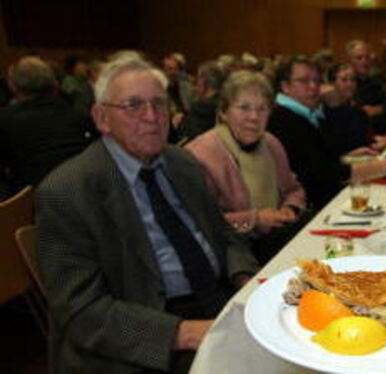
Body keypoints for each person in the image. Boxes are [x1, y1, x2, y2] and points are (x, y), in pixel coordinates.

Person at [36, 58, 258, 373]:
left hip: (216, 298)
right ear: (102, 118)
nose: (152, 117)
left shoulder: (182, 161)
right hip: (145, 331)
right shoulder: (66, 192)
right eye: (133, 106)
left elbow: (223, 233)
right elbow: (81, 312)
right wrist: (185, 333)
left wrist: (245, 278)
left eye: (159, 104)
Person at [186, 70, 307, 265]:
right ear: (224, 112)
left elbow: (293, 189)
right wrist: (255, 220)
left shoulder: (271, 143)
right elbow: (202, 222)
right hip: (230, 259)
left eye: (262, 109)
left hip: (278, 246)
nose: (254, 117)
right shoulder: (201, 154)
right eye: (244, 108)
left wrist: (289, 208)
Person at [267, 56, 386, 210]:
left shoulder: (306, 114)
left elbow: (319, 159)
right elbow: (321, 175)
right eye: (304, 81)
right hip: (306, 209)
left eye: (317, 81)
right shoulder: (283, 119)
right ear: (285, 86)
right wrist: (384, 167)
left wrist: (346, 158)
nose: (313, 87)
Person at [0, 56, 94, 195]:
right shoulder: (79, 115)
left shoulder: (5, 121)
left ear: (13, 86)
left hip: (30, 206)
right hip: (84, 196)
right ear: (54, 83)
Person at [321, 63, 386, 155]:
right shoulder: (324, 112)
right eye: (344, 80)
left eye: (352, 80)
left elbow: (362, 140)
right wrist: (351, 154)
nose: (350, 84)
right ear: (333, 83)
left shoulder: (357, 109)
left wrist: (378, 142)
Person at [346, 40, 386, 134]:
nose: (364, 61)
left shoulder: (378, 81)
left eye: (367, 57)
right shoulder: (346, 84)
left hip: (379, 133)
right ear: (350, 61)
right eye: (359, 58)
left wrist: (380, 109)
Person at [179, 60, 227, 141]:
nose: (195, 86)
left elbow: (188, 138)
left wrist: (180, 123)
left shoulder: (200, 107)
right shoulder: (226, 104)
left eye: (197, 80)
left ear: (203, 82)